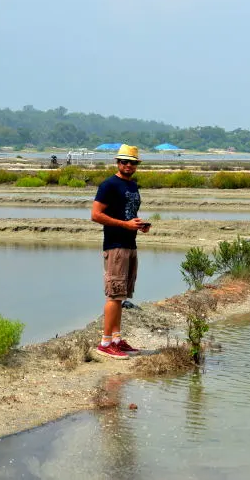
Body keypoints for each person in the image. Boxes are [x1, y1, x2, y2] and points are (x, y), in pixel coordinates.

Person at [90, 144, 151, 359]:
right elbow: (96, 215)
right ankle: (105, 343)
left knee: (122, 295)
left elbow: (129, 213)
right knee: (114, 295)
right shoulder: (109, 185)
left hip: (130, 244)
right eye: (124, 162)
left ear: (136, 165)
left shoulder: (133, 186)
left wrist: (138, 225)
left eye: (132, 162)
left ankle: (116, 339)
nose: (128, 165)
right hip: (115, 245)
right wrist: (124, 225)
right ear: (117, 162)